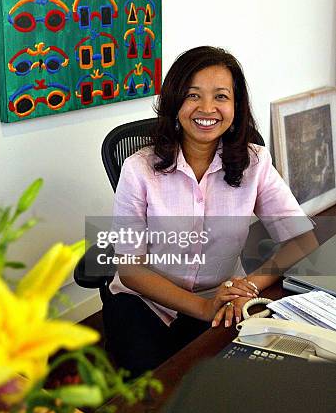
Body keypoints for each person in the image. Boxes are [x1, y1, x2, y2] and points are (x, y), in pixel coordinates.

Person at [102, 46, 317, 378]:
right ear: (175, 102)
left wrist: (249, 286)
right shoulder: (138, 169)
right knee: (152, 396)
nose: (207, 108)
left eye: (221, 96)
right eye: (193, 95)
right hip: (145, 302)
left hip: (222, 300)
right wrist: (202, 307)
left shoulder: (255, 164)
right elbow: (130, 269)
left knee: (236, 384)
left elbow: (301, 239)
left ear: (236, 106)